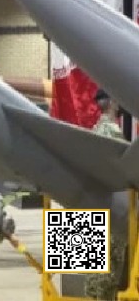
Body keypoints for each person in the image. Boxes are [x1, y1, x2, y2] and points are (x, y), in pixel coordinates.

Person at [86, 90, 127, 298]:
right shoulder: (112, 132)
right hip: (112, 211)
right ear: (111, 103)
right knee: (108, 278)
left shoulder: (94, 130)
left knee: (93, 280)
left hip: (94, 207)